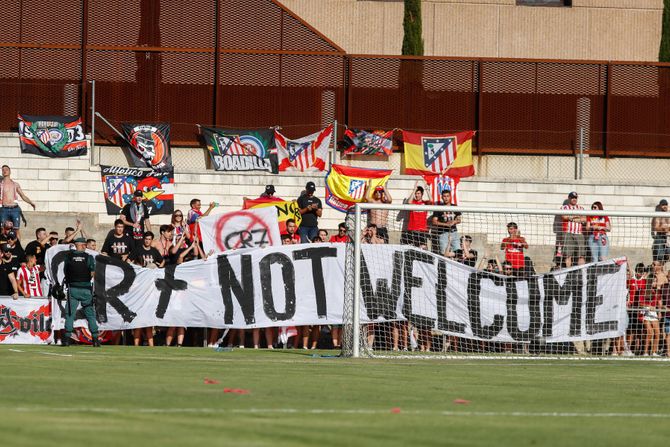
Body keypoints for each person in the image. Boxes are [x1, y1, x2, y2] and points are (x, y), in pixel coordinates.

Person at [62, 237, 99, 347]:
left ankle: (67, 339)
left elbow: (65, 271)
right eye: (85, 245)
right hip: (86, 289)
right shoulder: (89, 257)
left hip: (73, 289)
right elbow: (93, 273)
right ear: (82, 245)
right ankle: (95, 339)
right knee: (90, 315)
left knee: (70, 314)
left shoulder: (68, 257)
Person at [0, 165, 36, 239]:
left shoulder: (15, 184)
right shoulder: (0, 184)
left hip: (15, 209)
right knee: (3, 229)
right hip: (4, 209)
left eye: (6, 169)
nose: (4, 171)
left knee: (16, 229)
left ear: (10, 171)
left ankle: (18, 248)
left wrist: (30, 203)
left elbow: (23, 196)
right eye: (3, 170)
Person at [430, 189, 461, 255]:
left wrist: (454, 222)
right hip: (443, 233)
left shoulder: (454, 207)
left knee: (458, 253)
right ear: (442, 197)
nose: (446, 198)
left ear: (450, 197)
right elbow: (434, 221)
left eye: (447, 196)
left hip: (454, 232)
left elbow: (459, 220)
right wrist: (445, 224)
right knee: (444, 253)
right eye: (444, 196)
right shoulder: (438, 208)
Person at [400, 181, 430, 249]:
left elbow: (431, 200)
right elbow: (409, 202)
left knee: (423, 248)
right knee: (412, 249)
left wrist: (427, 189)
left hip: (422, 231)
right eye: (416, 193)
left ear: (422, 194)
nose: (417, 195)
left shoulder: (425, 203)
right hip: (412, 230)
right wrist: (414, 190)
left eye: (418, 193)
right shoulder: (413, 202)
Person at [560, 191, 586, 267]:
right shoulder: (564, 207)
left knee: (581, 255)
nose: (574, 199)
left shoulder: (581, 208)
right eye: (572, 198)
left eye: (575, 198)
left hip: (579, 233)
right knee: (568, 255)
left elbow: (584, 219)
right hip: (568, 232)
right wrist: (577, 217)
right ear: (569, 198)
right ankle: (568, 272)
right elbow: (564, 216)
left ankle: (581, 272)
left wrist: (571, 218)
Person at [651, 199, 670, 263]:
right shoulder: (658, 216)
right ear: (660, 206)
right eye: (663, 205)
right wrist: (663, 229)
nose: (665, 206)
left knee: (666, 258)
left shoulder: (668, 215)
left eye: (666, 205)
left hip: (668, 239)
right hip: (660, 238)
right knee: (659, 260)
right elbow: (655, 227)